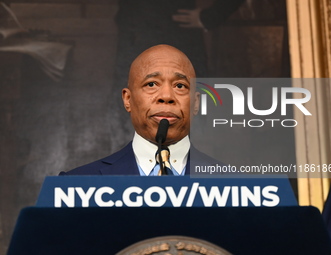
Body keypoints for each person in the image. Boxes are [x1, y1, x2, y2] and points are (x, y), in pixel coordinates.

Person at [60, 44, 217, 176]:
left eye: (180, 86)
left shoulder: (237, 187)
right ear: (128, 99)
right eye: (151, 84)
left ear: (196, 103)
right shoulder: (74, 186)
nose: (167, 96)